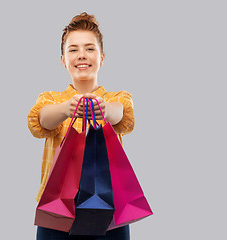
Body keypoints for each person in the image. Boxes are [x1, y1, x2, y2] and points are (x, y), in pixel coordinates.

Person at [27, 12, 134, 240]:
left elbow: (121, 114)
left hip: (109, 207)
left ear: (102, 57)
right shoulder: (52, 99)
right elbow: (41, 121)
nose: (81, 55)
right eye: (73, 49)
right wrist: (67, 108)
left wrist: (104, 110)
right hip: (57, 208)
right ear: (63, 59)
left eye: (90, 48)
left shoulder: (116, 97)